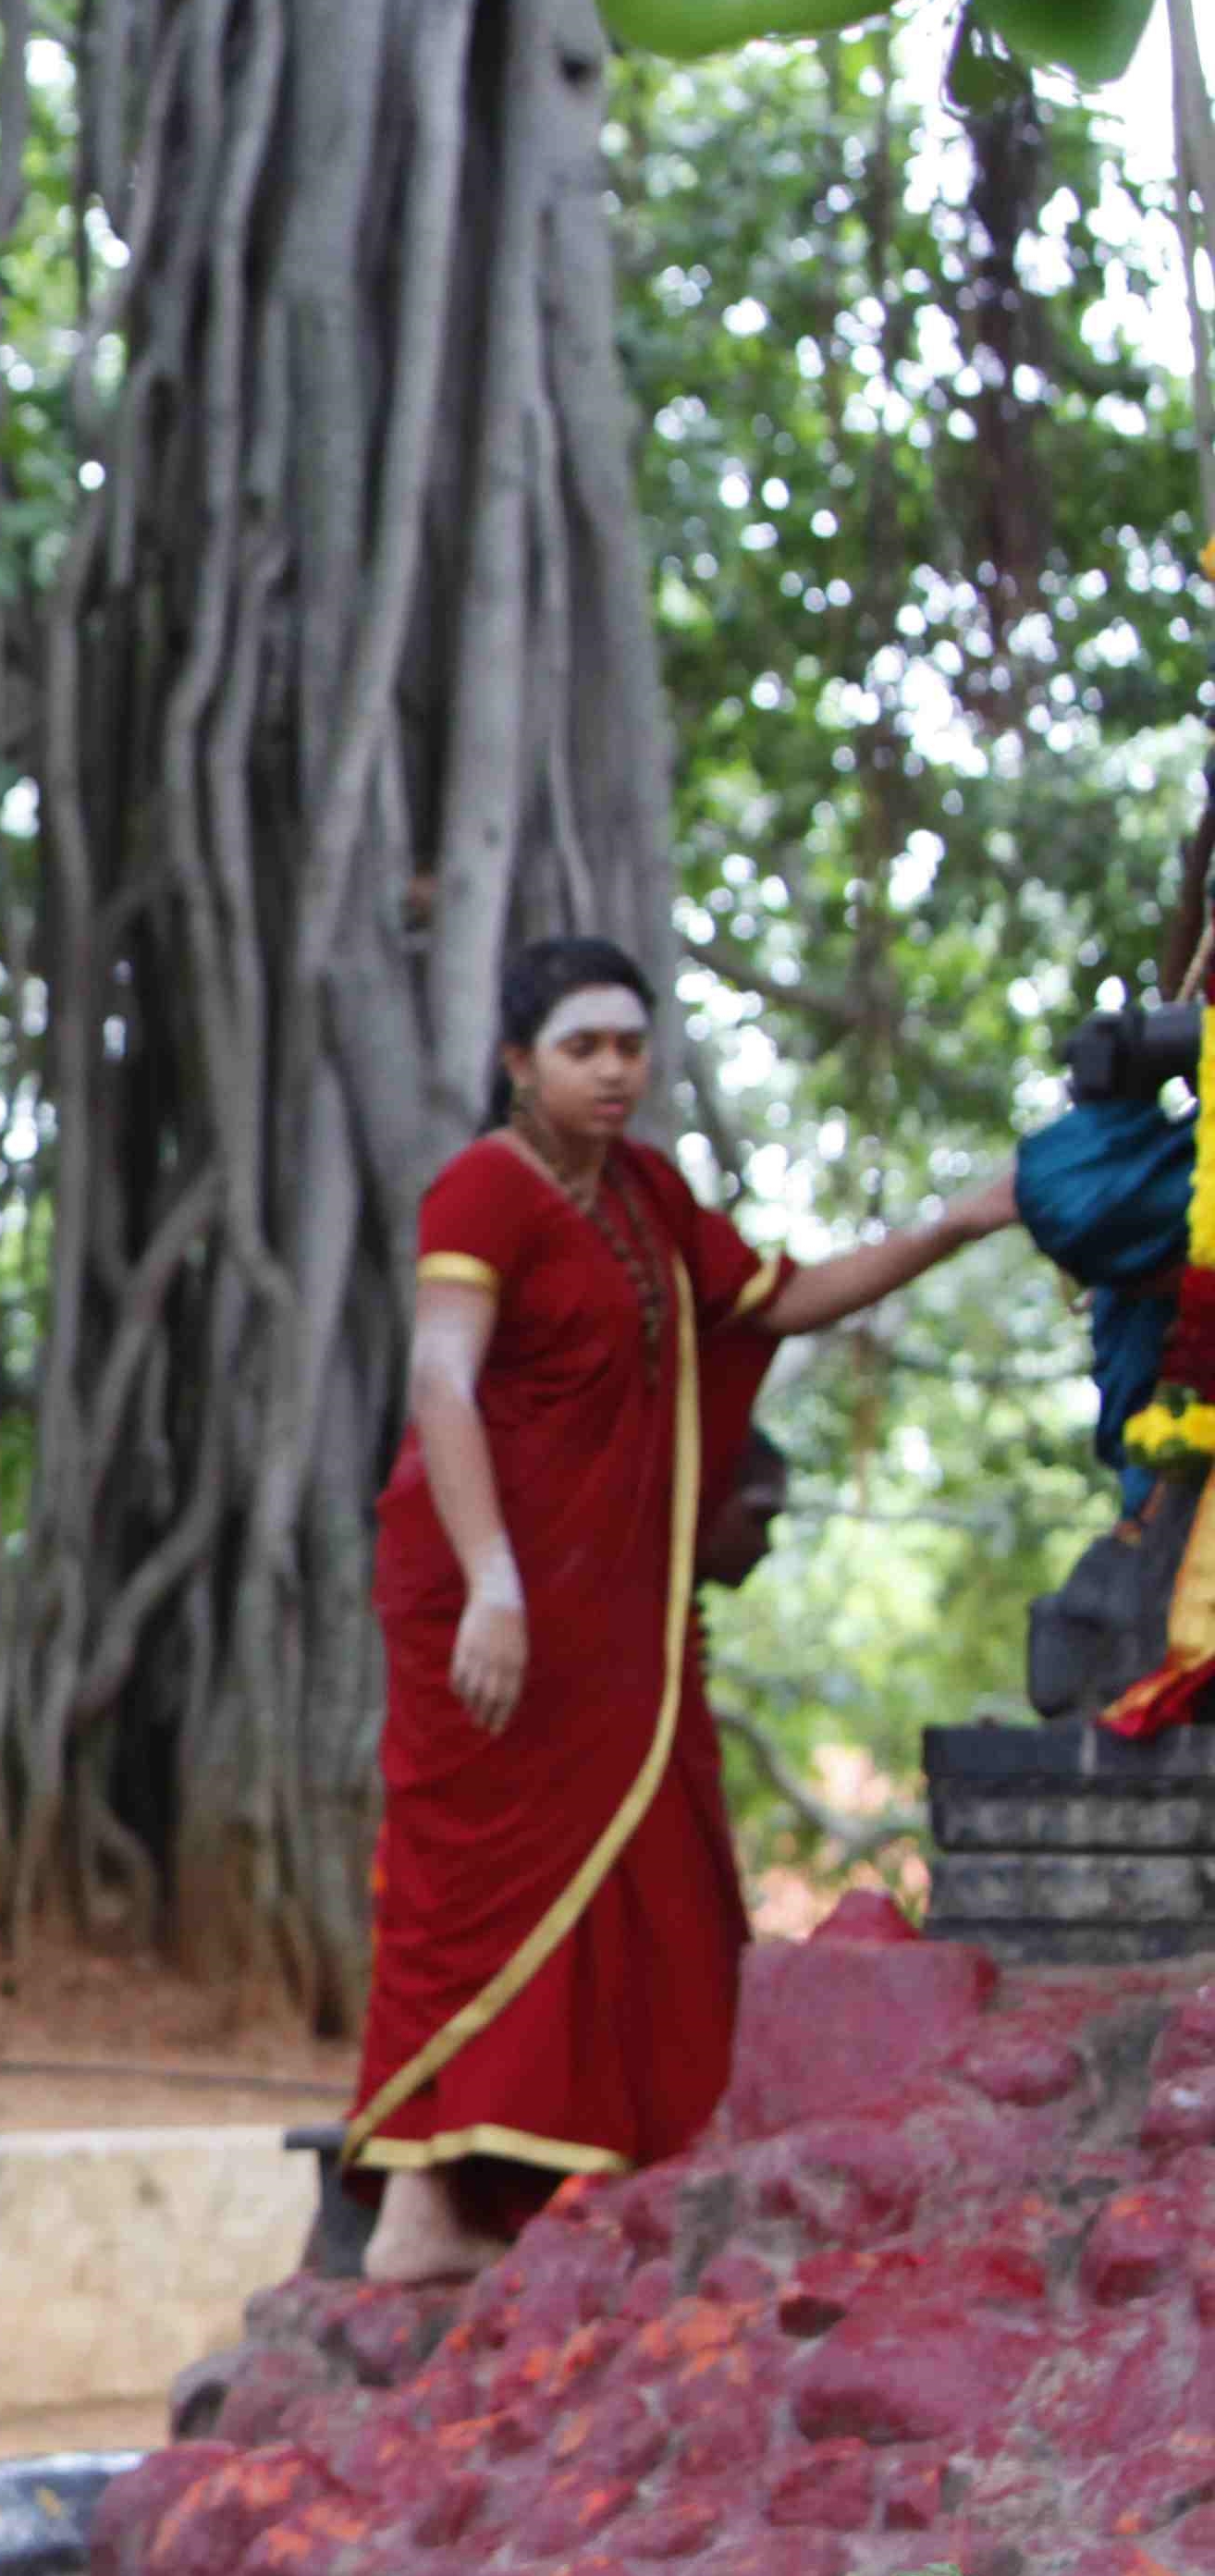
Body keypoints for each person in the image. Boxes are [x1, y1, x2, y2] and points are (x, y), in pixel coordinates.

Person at [347, 937, 1013, 2281]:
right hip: (489, 1600)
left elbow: (784, 1299)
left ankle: (555, 2185)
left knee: (660, 1877)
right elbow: (441, 1381)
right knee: (468, 1887)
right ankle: (419, 2204)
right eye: (581, 1047)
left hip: (616, 1623)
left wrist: (955, 1224)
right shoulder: (483, 1190)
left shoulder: (646, 1191)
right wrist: (493, 1586)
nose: (613, 1071)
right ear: (518, 1061)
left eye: (630, 1047)